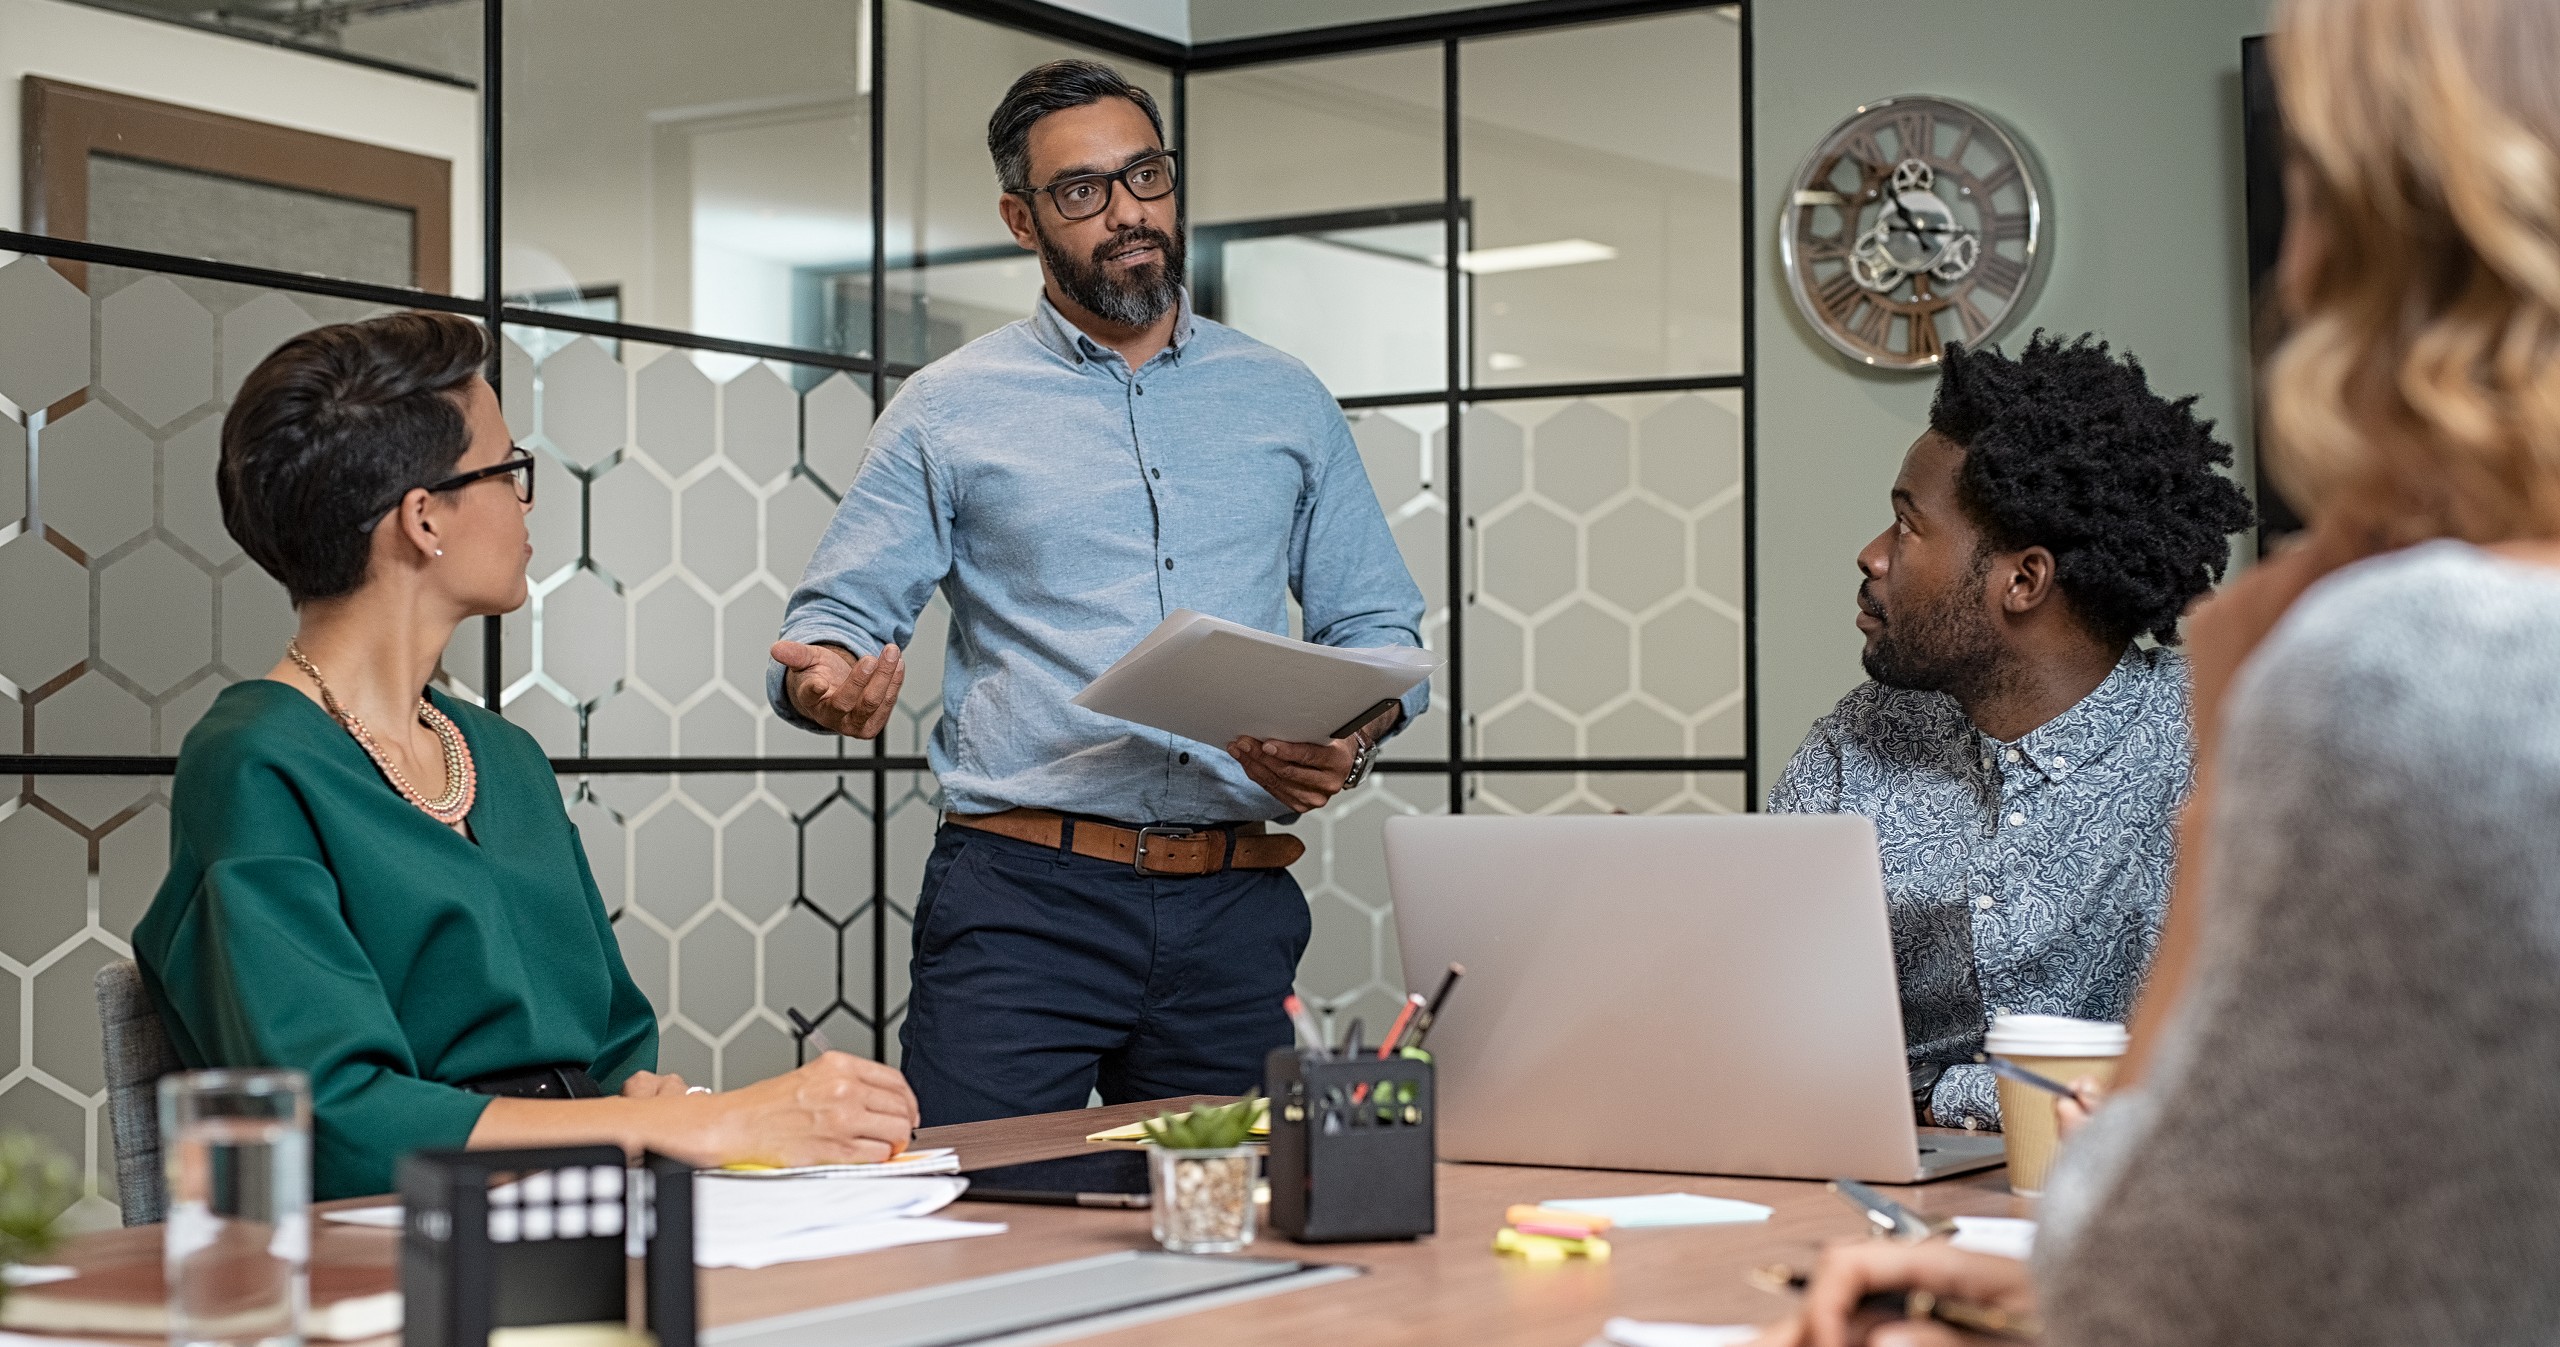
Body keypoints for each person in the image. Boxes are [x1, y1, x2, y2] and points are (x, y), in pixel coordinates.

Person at [1752, 0, 2560, 1341]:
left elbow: (2187, 1234)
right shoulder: (1861, 733)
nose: (2291, 265)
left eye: (2313, 194)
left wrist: (2243, 731)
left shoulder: (2412, 667)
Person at [768, 60, 1428, 1126]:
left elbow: (1377, 629)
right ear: (1020, 221)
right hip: (1022, 903)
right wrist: (825, 686)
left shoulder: (1286, 398)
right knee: (971, 1224)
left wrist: (1348, 739)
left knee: (1244, 1238)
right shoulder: (949, 409)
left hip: (1235, 904)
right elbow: (833, 628)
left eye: (1147, 177)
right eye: (1082, 191)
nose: (1128, 214)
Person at [135, 312, 918, 1200]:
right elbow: (338, 1118)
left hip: (583, 1208)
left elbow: (616, 1044)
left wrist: (655, 1106)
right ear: (423, 518)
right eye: (509, 469)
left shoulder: (502, 758)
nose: (526, 497)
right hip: (400, 1243)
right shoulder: (252, 762)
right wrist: (694, 1120)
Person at [1767, 335, 2252, 1130]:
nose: (1872, 555)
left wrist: (1939, 1091)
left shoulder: (2215, 743)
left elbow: (2221, 1072)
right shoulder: (1857, 742)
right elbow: (1762, 1017)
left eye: (1906, 526)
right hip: (1886, 1199)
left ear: (2023, 580)